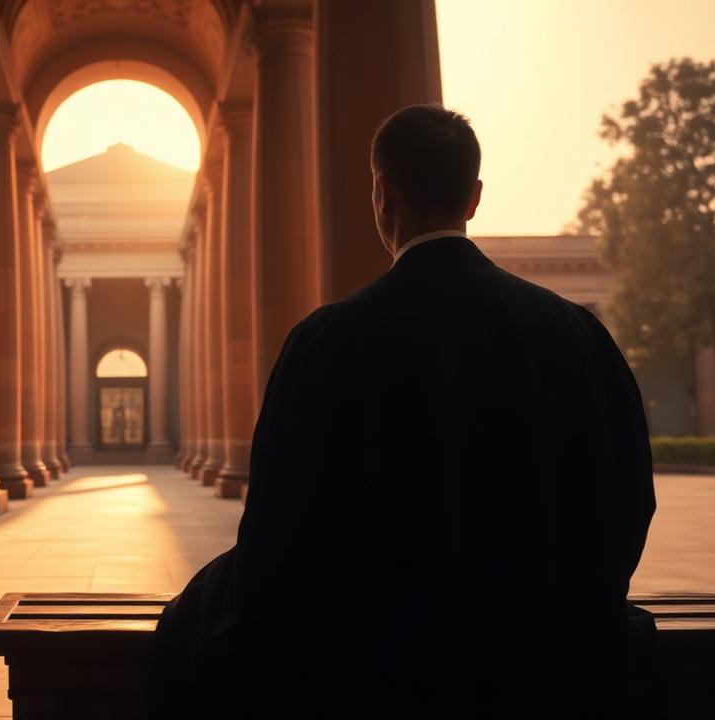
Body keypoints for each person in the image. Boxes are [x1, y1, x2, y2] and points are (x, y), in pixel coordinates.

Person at [147, 104, 660, 718]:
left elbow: (280, 535)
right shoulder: (577, 334)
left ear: (380, 195)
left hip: (373, 676)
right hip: (541, 671)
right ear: (473, 198)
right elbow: (629, 502)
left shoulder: (327, 341)